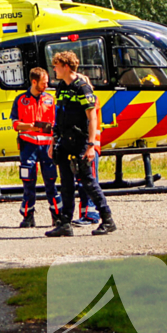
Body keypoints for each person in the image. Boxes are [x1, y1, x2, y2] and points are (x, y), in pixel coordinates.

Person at [45, 52, 117, 237]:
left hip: (80, 142)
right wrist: (53, 142)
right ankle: (65, 223)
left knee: (88, 181)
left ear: (66, 67)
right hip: (64, 142)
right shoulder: (61, 87)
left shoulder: (82, 88)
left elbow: (92, 118)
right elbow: (57, 117)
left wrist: (91, 145)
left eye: (57, 65)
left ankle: (107, 220)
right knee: (66, 183)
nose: (54, 69)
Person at [10, 67, 62, 228]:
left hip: (47, 147)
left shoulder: (50, 99)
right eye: (44, 83)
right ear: (34, 82)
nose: (47, 85)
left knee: (51, 182)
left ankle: (57, 216)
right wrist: (29, 127)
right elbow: (15, 124)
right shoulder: (20, 100)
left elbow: (56, 122)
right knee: (28, 182)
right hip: (28, 147)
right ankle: (27, 216)